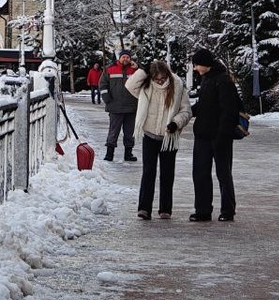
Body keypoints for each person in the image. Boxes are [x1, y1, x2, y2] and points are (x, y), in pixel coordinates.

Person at [125, 60, 193, 219]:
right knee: (148, 172)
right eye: (157, 78)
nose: (160, 81)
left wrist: (176, 123)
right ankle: (144, 208)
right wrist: (142, 70)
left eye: (163, 78)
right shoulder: (145, 86)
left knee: (167, 173)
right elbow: (129, 85)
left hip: (169, 136)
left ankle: (165, 209)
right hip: (149, 134)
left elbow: (186, 111)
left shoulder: (177, 85)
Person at [188, 48, 243, 223]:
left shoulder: (223, 81)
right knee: (200, 173)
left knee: (223, 174)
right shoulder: (206, 80)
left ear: (205, 64)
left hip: (220, 136)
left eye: (196, 65)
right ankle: (203, 210)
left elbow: (229, 111)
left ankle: (228, 210)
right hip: (203, 135)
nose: (195, 68)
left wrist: (222, 135)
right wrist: (186, 112)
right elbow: (204, 105)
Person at [99, 49, 139, 161]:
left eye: (127, 57)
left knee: (130, 133)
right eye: (123, 57)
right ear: (119, 58)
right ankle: (109, 154)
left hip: (131, 107)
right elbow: (102, 84)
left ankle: (128, 154)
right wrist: (106, 98)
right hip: (115, 107)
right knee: (113, 131)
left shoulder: (135, 70)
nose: (125, 59)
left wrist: (138, 68)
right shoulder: (109, 69)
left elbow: (145, 79)